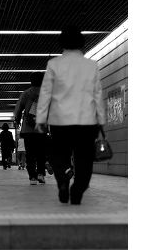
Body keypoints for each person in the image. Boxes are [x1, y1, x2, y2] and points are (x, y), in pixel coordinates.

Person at [36, 25, 106, 205]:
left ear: (62, 43)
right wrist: (101, 120)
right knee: (84, 159)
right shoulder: (91, 65)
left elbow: (46, 94)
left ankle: (63, 179)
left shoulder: (54, 65)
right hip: (86, 121)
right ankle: (78, 189)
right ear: (82, 43)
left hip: (60, 121)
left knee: (60, 155)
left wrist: (41, 119)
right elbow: (97, 93)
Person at [14, 73, 46, 185]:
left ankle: (32, 176)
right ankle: (41, 174)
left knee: (30, 153)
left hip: (28, 129)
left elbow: (18, 110)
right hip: (42, 128)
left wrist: (17, 121)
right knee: (41, 152)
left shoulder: (26, 93)